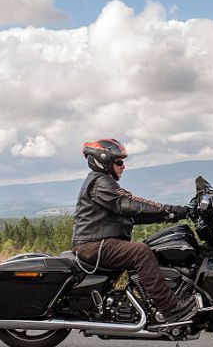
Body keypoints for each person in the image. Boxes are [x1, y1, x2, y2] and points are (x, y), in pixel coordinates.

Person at [72, 138, 197, 323]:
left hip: (98, 243)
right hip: (93, 245)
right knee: (140, 252)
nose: (123, 166)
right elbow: (128, 204)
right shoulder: (101, 182)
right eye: (119, 162)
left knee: (148, 248)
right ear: (103, 161)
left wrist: (173, 215)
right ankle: (171, 308)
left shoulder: (103, 182)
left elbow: (133, 215)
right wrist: (171, 209)